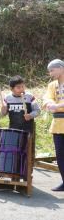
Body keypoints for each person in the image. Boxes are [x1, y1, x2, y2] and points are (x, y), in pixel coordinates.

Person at [43, 59, 64, 191]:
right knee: (60, 154)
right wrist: (51, 104)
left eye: (52, 70)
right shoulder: (52, 85)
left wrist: (58, 105)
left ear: (61, 68)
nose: (50, 73)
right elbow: (46, 98)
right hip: (57, 124)